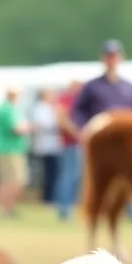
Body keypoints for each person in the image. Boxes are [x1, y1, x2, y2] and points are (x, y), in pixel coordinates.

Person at [71, 40, 132, 220]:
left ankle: (130, 210)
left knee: (128, 176)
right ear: (103, 58)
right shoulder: (92, 86)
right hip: (101, 142)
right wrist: (84, 129)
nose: (112, 59)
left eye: (115, 56)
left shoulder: (128, 87)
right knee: (96, 176)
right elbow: (78, 110)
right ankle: (93, 209)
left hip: (124, 143)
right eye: (109, 56)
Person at [0, 86, 32, 218]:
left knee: (14, 180)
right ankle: (4, 208)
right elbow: (16, 129)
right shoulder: (7, 109)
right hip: (8, 149)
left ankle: (9, 207)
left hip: (14, 149)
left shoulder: (11, 109)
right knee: (10, 181)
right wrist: (30, 128)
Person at [55, 79, 84, 221]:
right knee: (70, 176)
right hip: (71, 143)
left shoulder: (76, 100)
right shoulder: (67, 99)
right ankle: (65, 209)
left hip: (75, 143)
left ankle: (68, 207)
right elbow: (62, 120)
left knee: (73, 176)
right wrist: (78, 134)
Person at [30, 87, 63, 204]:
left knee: (54, 173)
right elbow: (45, 124)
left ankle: (53, 196)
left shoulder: (52, 108)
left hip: (54, 146)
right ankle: (48, 197)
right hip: (45, 146)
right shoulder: (41, 108)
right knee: (48, 173)